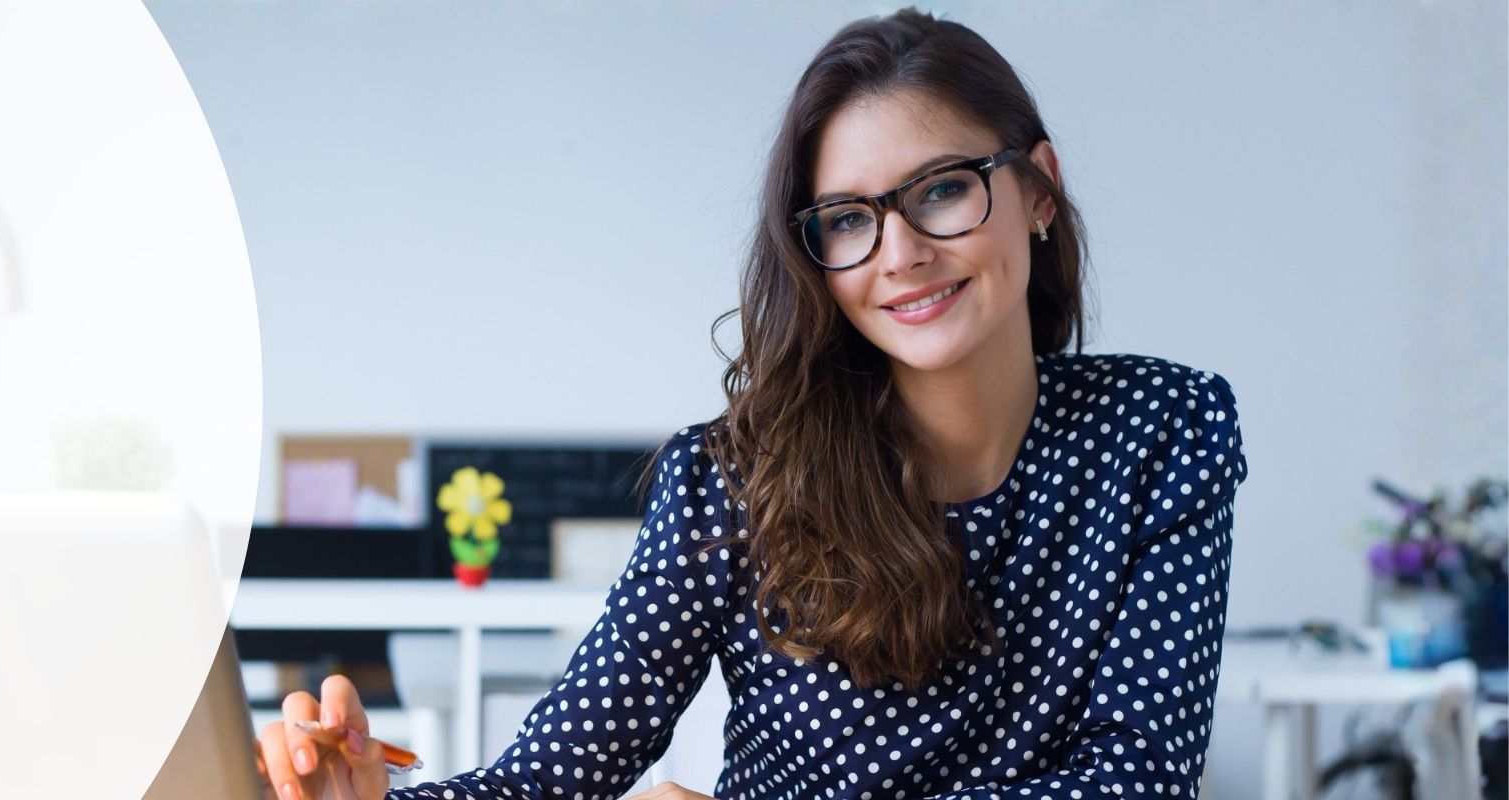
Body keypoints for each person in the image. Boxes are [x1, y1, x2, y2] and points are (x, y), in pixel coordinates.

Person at [254, 7, 1249, 799]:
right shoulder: (737, 480)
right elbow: (547, 776)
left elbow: (1134, 776)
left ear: (1037, 191)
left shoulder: (1163, 432)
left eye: (942, 190)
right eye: (848, 218)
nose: (898, 253)